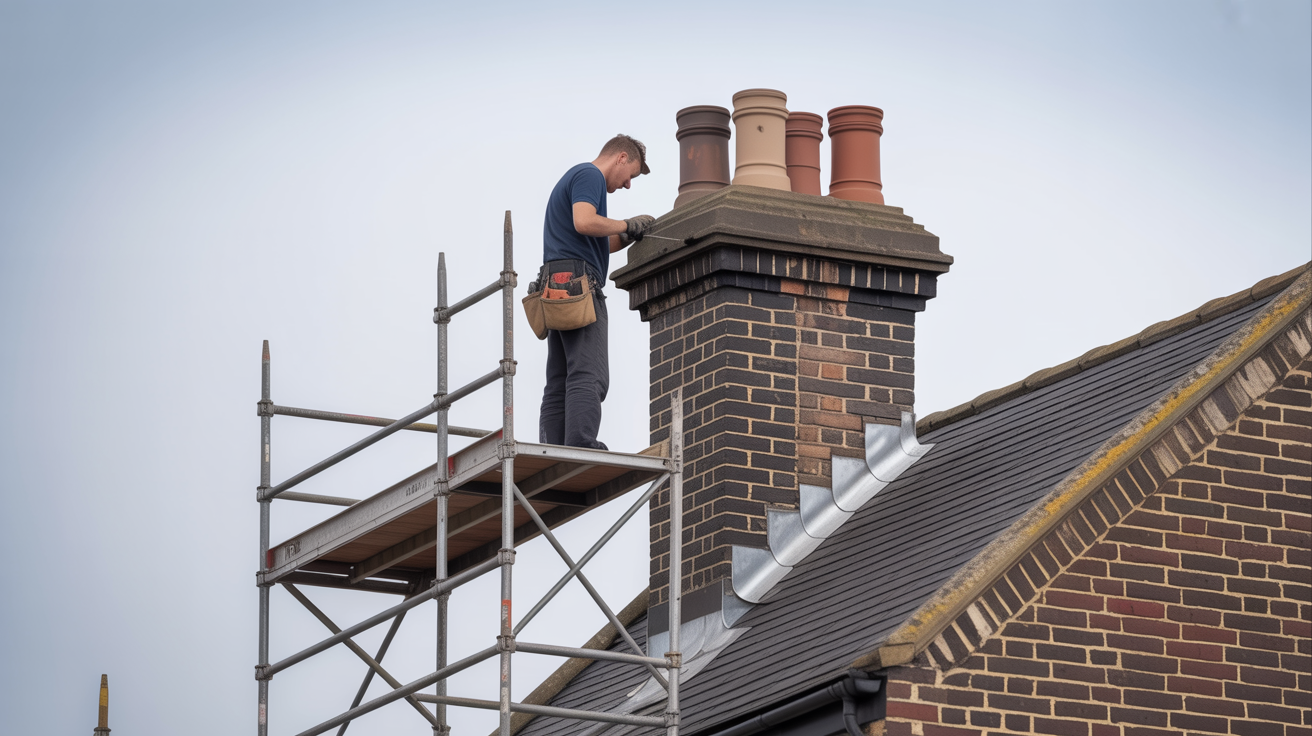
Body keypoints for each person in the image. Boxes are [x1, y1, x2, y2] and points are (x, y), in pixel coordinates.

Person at [537, 134, 655, 449]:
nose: (628, 185)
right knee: (589, 372)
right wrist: (626, 223)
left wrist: (631, 233)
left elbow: (599, 240)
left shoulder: (576, 178)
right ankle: (580, 442)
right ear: (620, 158)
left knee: (560, 377)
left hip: (556, 283)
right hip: (579, 283)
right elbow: (585, 222)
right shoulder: (589, 175)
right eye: (630, 175)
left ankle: (553, 445)